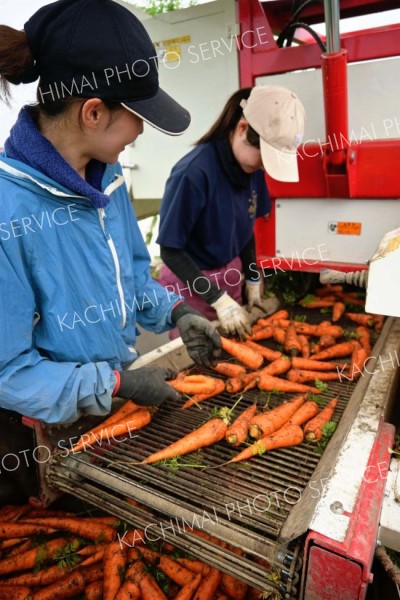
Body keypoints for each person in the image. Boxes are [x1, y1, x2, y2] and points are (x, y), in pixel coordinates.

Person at [0, 0, 222, 429]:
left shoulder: (108, 177)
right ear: (94, 112)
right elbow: (7, 371)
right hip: (45, 427)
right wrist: (116, 384)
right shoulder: (10, 211)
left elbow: (133, 277)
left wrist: (175, 312)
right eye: (137, 115)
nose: (140, 131)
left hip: (117, 398)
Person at [157, 86, 306, 339]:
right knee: (196, 364)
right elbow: (170, 251)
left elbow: (245, 229)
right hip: (192, 282)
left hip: (230, 278)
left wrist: (252, 277)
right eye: (263, 157)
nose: (263, 167)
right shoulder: (193, 174)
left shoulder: (252, 170)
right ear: (242, 128)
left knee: (236, 346)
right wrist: (217, 298)